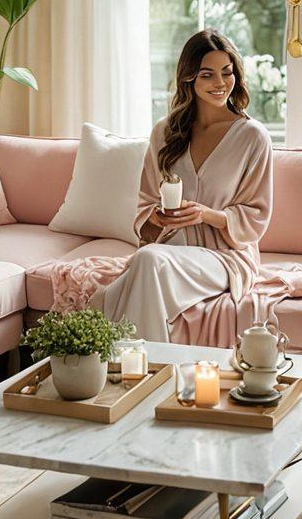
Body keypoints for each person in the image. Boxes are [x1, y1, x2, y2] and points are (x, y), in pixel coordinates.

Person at [94, 28, 273, 342]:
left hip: (225, 257)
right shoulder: (165, 132)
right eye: (207, 74)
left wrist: (207, 215)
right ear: (189, 78)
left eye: (227, 72)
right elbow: (146, 204)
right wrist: (157, 217)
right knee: (144, 267)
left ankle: (142, 363)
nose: (220, 83)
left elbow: (256, 216)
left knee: (140, 268)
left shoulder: (252, 137)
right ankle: (151, 363)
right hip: (171, 252)